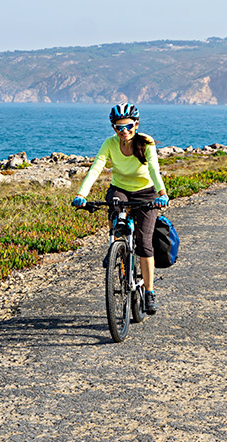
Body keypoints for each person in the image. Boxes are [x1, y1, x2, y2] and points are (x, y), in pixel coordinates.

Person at [71, 103, 169, 314]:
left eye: (128, 125)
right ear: (113, 128)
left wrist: (161, 194)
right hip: (121, 189)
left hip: (146, 193)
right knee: (114, 204)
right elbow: (96, 167)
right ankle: (115, 246)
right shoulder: (110, 143)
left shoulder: (146, 142)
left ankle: (150, 292)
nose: (123, 130)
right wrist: (81, 194)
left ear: (136, 124)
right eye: (118, 127)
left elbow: (153, 168)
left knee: (144, 243)